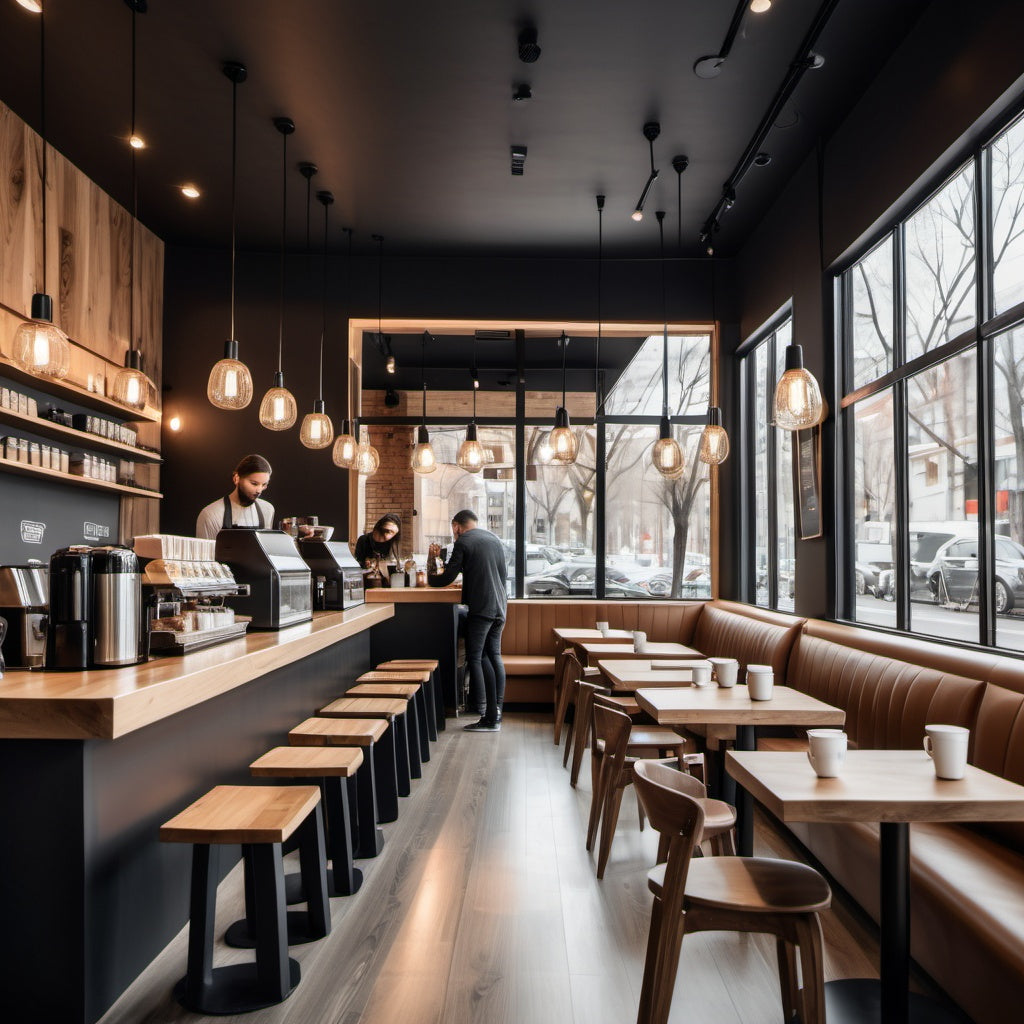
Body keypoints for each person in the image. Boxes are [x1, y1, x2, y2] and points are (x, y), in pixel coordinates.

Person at [429, 509, 507, 732]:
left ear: (456, 526)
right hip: (500, 606)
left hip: (482, 607)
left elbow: (447, 577)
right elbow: (500, 575)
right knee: (494, 655)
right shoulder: (494, 539)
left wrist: (429, 581)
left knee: (476, 656)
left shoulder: (463, 541)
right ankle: (496, 711)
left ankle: (487, 715)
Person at [195, 454, 274, 540]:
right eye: (254, 483)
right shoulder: (210, 515)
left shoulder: (267, 510)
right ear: (236, 478)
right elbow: (205, 553)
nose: (259, 490)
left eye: (264, 485)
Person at [354, 514, 403, 586]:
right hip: (368, 582)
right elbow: (358, 565)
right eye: (387, 531)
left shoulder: (393, 544)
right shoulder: (363, 540)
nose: (387, 535)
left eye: (393, 533)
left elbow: (397, 567)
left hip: (389, 584)